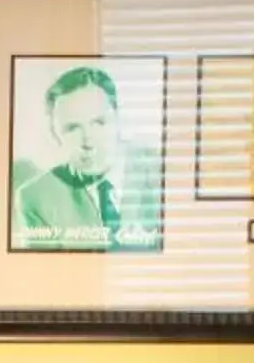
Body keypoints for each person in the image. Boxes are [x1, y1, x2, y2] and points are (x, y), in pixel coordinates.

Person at [12, 64, 162, 251]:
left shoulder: (161, 171)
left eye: (99, 122)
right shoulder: (36, 197)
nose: (88, 141)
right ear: (54, 133)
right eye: (72, 128)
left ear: (118, 118)